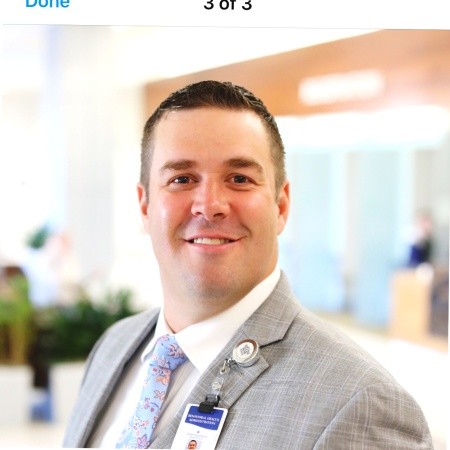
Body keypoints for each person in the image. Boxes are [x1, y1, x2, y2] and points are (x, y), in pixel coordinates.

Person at [63, 81, 433, 449]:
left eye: (239, 179)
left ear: (281, 206)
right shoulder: (115, 347)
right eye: (182, 179)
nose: (209, 206)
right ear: (145, 207)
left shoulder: (361, 403)